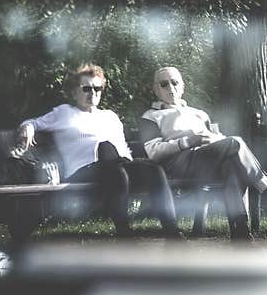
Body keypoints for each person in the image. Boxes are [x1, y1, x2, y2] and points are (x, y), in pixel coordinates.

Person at [140, 66, 267, 241]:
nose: (170, 87)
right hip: (178, 163)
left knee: (231, 165)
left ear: (182, 86)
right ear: (155, 89)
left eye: (175, 82)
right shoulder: (152, 116)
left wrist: (216, 140)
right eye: (164, 84)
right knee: (235, 142)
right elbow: (153, 151)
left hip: (208, 159)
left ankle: (241, 230)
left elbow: (217, 136)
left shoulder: (199, 114)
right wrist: (185, 142)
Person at [17, 64, 182, 237]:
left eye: (97, 88)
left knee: (154, 170)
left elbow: (124, 149)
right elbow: (33, 123)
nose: (93, 93)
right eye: (86, 88)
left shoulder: (110, 116)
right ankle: (124, 233)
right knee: (114, 166)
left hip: (119, 166)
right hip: (83, 169)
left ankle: (173, 232)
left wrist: (134, 165)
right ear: (74, 92)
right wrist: (28, 127)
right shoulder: (64, 113)